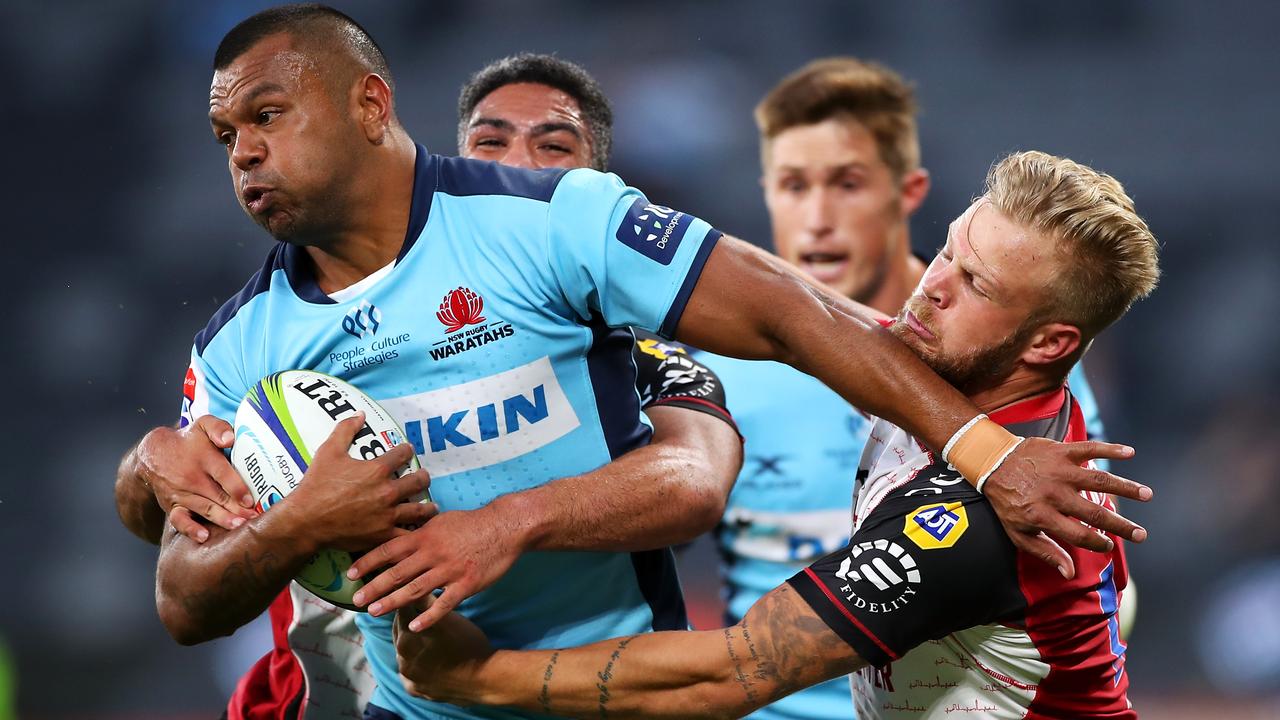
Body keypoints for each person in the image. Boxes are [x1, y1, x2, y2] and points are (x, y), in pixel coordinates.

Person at [114, 4, 1148, 719]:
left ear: (371, 106)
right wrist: (185, 480)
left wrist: (497, 571)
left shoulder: (571, 251)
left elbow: (712, 531)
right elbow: (184, 593)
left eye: (266, 115)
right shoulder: (243, 347)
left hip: (590, 692)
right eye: (223, 133)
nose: (919, 287)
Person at [393, 149, 1160, 720]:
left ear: (1047, 346)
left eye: (977, 284)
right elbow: (801, 314)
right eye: (950, 249)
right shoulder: (969, 387)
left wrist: (481, 677)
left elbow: (732, 674)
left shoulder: (970, 525)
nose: (932, 284)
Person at [700, 57, 1110, 719]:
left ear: (908, 192)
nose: (817, 218)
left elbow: (1079, 557)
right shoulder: (721, 362)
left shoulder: (1014, 376)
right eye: (793, 185)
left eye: (848, 184)